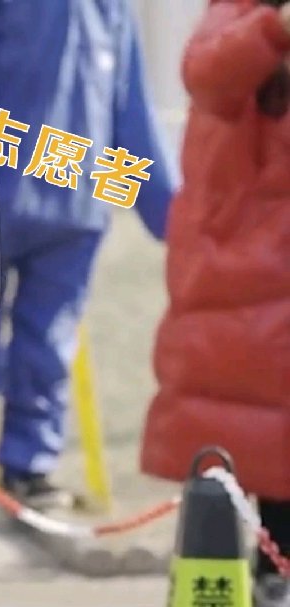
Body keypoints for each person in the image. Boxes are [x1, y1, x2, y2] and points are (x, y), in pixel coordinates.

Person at [0, 0, 179, 512]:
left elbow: (131, 107)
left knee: (50, 348)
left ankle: (29, 466)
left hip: (76, 206)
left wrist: (172, 213)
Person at [140, 2, 290, 604]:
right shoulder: (242, 25)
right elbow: (208, 69)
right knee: (242, 468)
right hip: (249, 294)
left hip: (244, 296)